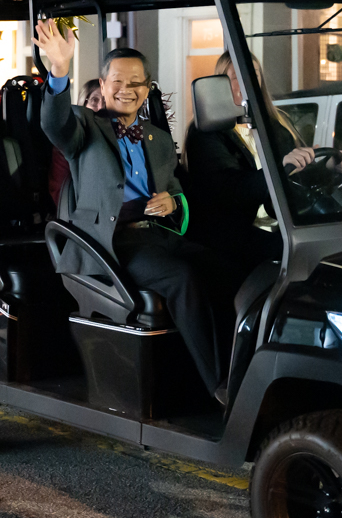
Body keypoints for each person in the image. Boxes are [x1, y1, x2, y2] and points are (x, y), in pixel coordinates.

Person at [32, 21, 226, 405]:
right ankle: (219, 387)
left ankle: (236, 366)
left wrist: (172, 200)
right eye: (117, 82)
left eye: (136, 83)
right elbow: (54, 125)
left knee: (227, 269)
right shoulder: (85, 128)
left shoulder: (156, 136)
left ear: (147, 88)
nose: (126, 89)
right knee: (182, 279)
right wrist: (59, 71)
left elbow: (174, 187)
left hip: (158, 233)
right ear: (102, 87)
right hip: (113, 242)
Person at [185, 52, 342, 273]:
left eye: (254, 74)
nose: (248, 82)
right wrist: (279, 169)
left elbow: (295, 180)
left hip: (281, 222)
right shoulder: (207, 133)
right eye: (238, 76)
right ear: (219, 85)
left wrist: (330, 169)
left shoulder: (275, 126)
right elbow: (229, 188)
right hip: (235, 230)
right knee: (300, 255)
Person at [48, 79, 102, 207]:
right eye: (95, 100)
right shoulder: (69, 140)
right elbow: (60, 194)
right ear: (83, 103)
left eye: (106, 101)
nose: (100, 107)